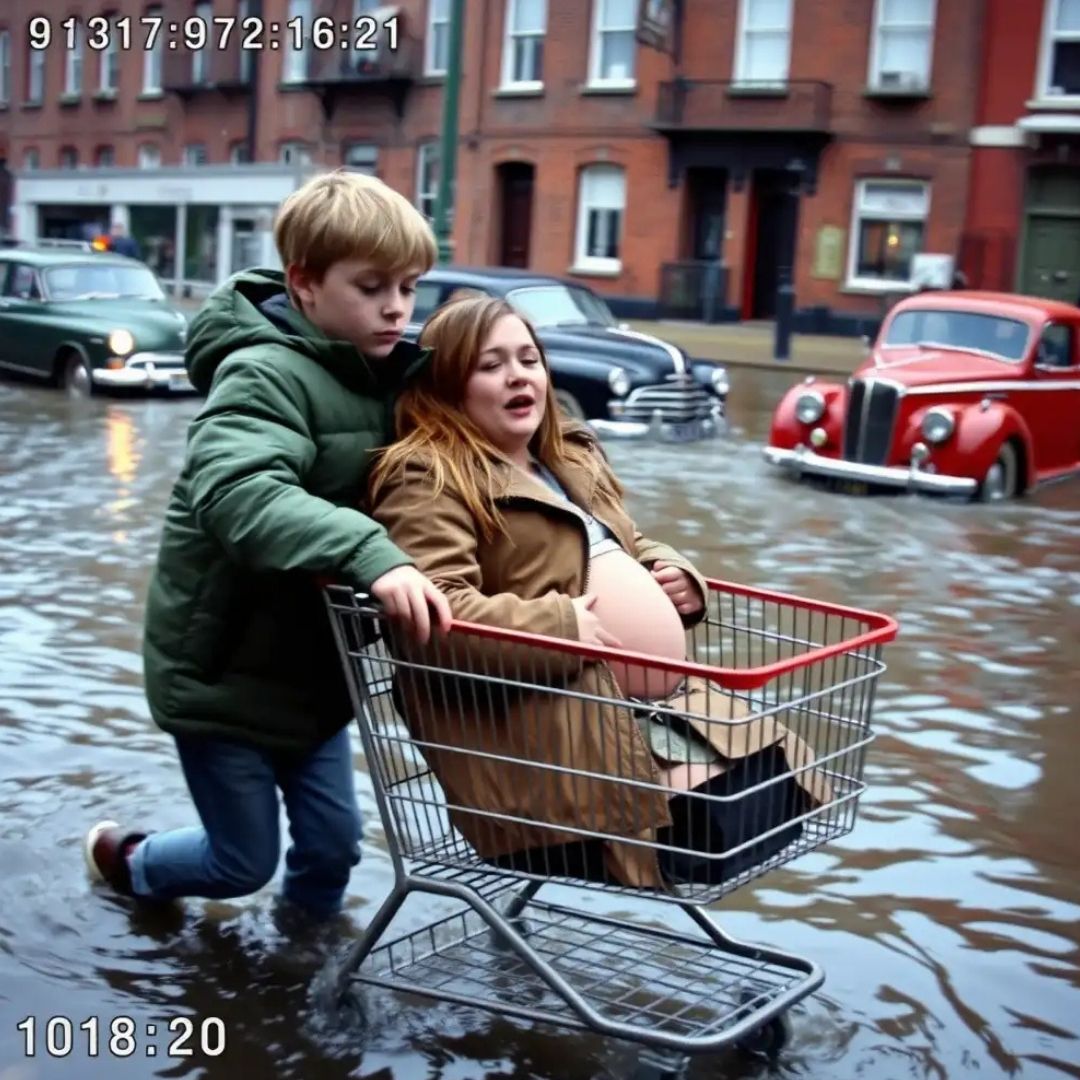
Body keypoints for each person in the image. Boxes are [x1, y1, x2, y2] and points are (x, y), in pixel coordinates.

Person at [84, 171, 452, 921]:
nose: (395, 307)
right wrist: (372, 551)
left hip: (311, 678)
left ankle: (300, 961)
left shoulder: (386, 381)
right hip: (221, 673)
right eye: (372, 285)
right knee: (239, 860)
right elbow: (239, 494)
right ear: (305, 284)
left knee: (334, 845)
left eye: (410, 288)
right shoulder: (261, 373)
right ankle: (128, 862)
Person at [368, 293, 828, 890]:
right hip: (539, 734)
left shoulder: (566, 459)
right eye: (490, 365)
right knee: (713, 821)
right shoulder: (426, 477)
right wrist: (560, 628)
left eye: (529, 359)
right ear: (449, 385)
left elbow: (630, 544)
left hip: (633, 711)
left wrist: (676, 577)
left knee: (774, 787)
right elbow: (431, 613)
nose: (518, 376)